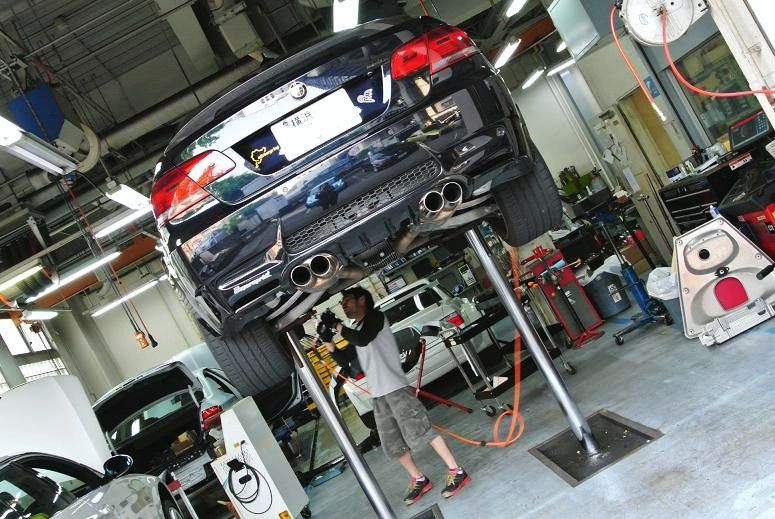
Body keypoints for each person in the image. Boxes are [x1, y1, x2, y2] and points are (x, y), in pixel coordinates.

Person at [323, 286, 471, 505]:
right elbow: (347, 362)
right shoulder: (357, 329)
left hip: (395, 389)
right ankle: (419, 479)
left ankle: (457, 471)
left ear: (361, 300)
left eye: (347, 301)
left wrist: (337, 325)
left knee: (422, 430)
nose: (343, 306)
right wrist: (328, 341)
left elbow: (362, 339)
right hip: (379, 396)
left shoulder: (375, 319)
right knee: (392, 444)